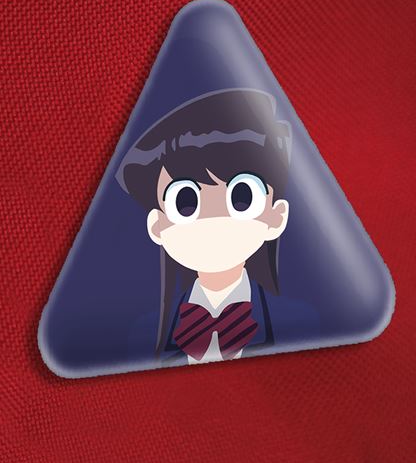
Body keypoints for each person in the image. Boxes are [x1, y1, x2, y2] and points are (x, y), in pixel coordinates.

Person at [116, 87, 309, 366]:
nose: (214, 221)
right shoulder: (142, 333)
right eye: (185, 202)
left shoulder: (298, 322)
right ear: (157, 226)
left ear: (276, 217)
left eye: (242, 198)